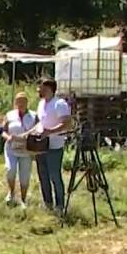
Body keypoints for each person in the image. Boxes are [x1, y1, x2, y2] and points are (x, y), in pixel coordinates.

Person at [34, 78, 72, 213]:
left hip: (54, 146)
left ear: (49, 89)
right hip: (41, 146)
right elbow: (39, 122)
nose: (38, 90)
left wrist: (50, 132)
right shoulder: (41, 104)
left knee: (54, 176)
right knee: (42, 175)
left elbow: (67, 123)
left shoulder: (59, 104)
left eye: (41, 88)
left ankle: (60, 205)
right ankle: (48, 203)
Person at [0, 92, 37, 207]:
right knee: (10, 170)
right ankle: (11, 192)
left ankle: (24, 199)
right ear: (15, 103)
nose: (21, 104)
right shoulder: (10, 115)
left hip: (26, 151)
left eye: (23, 102)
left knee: (24, 176)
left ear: (27, 103)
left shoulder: (33, 116)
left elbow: (38, 130)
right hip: (11, 149)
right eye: (18, 102)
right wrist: (8, 137)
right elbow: (2, 130)